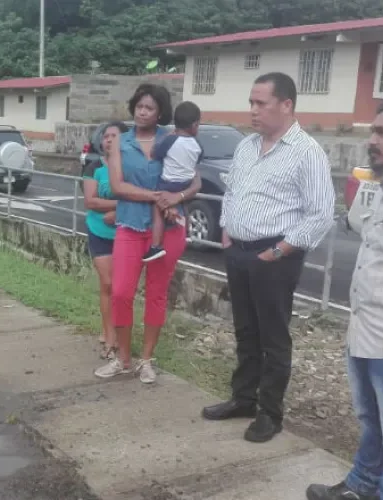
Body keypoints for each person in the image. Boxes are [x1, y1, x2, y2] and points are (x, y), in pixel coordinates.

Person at [201, 72, 335, 443]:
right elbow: (232, 192)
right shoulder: (246, 147)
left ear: (287, 105)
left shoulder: (306, 152)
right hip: (239, 251)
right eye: (251, 103)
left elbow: (321, 213)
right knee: (245, 329)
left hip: (276, 254)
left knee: (272, 336)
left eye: (262, 103)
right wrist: (227, 229)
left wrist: (278, 251)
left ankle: (270, 413)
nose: (254, 111)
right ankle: (243, 398)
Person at [306, 97, 383, 500]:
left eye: (382, 132)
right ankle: (361, 486)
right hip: (364, 329)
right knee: (371, 420)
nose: (371, 141)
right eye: (371, 132)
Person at [93, 83, 201, 384]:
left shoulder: (173, 139)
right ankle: (123, 358)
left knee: (156, 294)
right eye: (139, 106)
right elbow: (118, 187)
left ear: (160, 112)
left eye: (150, 107)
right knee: (120, 292)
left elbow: (195, 182)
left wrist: (176, 199)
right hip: (129, 227)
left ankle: (146, 360)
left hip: (167, 231)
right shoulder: (119, 143)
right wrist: (156, 197)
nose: (143, 112)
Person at [83, 121, 127, 360]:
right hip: (99, 231)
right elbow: (90, 202)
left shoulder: (129, 167)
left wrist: (120, 213)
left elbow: (141, 197)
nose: (109, 140)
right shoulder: (93, 167)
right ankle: (110, 339)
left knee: (120, 288)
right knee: (108, 284)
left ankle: (113, 330)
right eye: (106, 136)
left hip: (126, 233)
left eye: (114, 136)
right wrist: (123, 204)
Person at [143, 101, 204, 262]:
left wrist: (166, 138)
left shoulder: (170, 141)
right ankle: (188, 234)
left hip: (168, 182)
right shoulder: (197, 145)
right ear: (195, 124)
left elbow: (155, 153)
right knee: (184, 205)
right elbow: (198, 158)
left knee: (157, 208)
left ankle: (156, 246)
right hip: (186, 182)